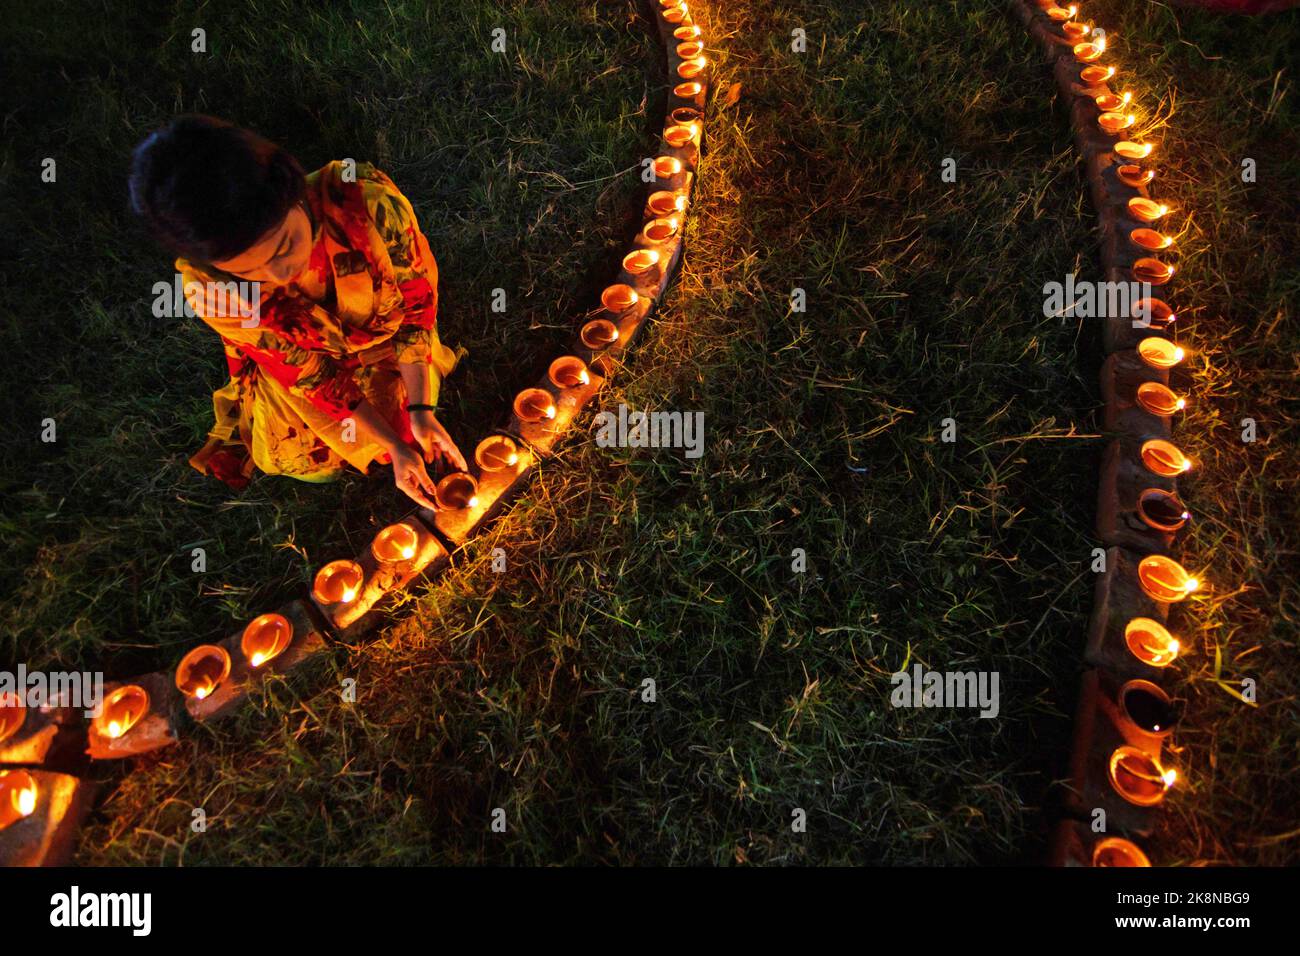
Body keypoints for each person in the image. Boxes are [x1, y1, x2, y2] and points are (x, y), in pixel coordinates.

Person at [129, 115, 465, 509]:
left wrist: (421, 412)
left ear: (292, 191)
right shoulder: (215, 292)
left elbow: (415, 314)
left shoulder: (366, 211)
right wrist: (392, 442)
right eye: (248, 271)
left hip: (388, 343)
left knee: (410, 414)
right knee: (303, 459)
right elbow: (311, 376)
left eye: (284, 246)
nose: (279, 275)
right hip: (317, 369)